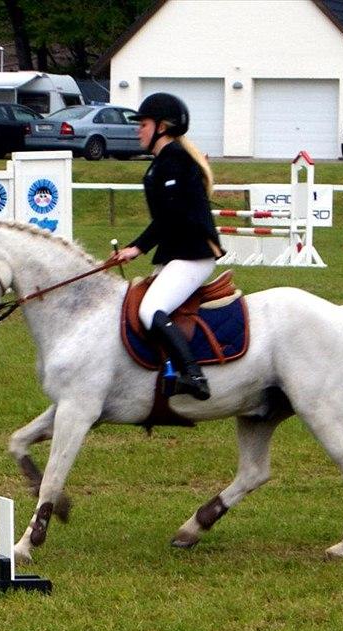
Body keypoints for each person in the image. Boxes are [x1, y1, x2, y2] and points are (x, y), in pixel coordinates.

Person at [116, 93, 223, 401]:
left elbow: (171, 215)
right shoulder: (164, 162)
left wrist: (137, 247)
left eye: (144, 124)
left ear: (162, 127)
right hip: (179, 252)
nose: (138, 130)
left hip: (194, 254)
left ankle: (194, 375)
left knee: (151, 310)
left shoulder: (175, 160)